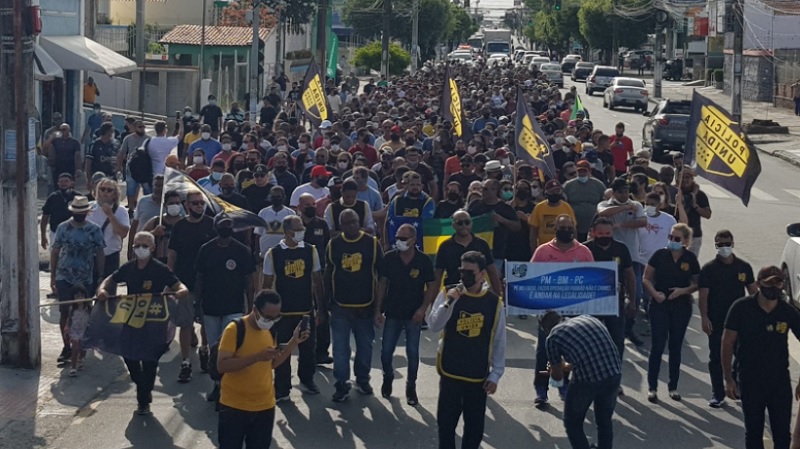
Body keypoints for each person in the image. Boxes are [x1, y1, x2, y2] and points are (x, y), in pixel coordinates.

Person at [96, 231, 189, 415]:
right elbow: (111, 279)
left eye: (144, 246)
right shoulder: (129, 268)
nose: (140, 249)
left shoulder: (160, 269)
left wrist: (181, 291)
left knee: (149, 362)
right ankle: (142, 385)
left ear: (152, 248)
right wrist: (102, 289)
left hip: (154, 323)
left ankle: (143, 401)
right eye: (137, 245)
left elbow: (179, 285)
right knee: (129, 356)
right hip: (131, 319)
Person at [427, 250, 506, 449]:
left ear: (482, 274)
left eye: (470, 271)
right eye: (462, 271)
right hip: (450, 370)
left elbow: (499, 340)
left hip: (477, 375)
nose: (465, 275)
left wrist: (496, 374)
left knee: (474, 428)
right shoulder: (448, 293)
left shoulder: (493, 302)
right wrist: (449, 303)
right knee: (445, 424)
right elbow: (433, 325)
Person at [216, 290, 309, 449]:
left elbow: (271, 364)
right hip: (234, 407)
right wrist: (256, 357)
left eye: (276, 317)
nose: (271, 321)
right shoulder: (235, 329)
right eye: (267, 317)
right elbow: (222, 365)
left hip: (264, 406)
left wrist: (294, 342)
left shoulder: (271, 330)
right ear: (255, 310)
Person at [723, 266, 800, 449]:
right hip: (750, 380)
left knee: (782, 434)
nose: (774, 288)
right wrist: (728, 379)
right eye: (769, 283)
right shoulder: (741, 308)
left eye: (778, 283)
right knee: (754, 433)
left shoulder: (787, 311)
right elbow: (727, 343)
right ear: (758, 284)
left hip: (779, 382)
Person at [531, 214, 593, 407]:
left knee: (570, 351)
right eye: (562, 227)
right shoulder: (542, 251)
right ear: (555, 229)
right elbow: (530, 278)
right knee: (544, 351)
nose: (566, 230)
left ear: (574, 229)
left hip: (574, 310)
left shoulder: (583, 252)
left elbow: (593, 279)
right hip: (548, 312)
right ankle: (542, 389)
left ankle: (564, 385)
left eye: (569, 227)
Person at [322, 209, 384, 402]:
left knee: (365, 347)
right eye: (347, 223)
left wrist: (379, 309)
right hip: (340, 306)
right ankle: (341, 383)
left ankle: (363, 379)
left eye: (354, 222)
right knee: (340, 349)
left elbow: (382, 277)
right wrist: (324, 305)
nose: (351, 225)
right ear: (340, 226)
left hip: (366, 306)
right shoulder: (334, 245)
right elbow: (327, 274)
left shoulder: (372, 244)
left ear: (359, 222)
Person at [196, 212, 256, 402]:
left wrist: (251, 305)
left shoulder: (241, 250)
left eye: (230, 225)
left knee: (229, 349)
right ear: (216, 227)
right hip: (211, 307)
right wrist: (198, 304)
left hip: (234, 307)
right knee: (215, 349)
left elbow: (249, 280)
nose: (226, 228)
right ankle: (217, 385)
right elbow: (200, 278)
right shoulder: (206, 249)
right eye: (223, 225)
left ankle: (231, 386)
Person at [262, 215, 324, 400]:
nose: (302, 231)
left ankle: (306, 380)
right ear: (288, 232)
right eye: (298, 228)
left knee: (307, 349)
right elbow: (266, 283)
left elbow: (317, 280)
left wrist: (320, 307)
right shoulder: (273, 254)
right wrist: (264, 313)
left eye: (302, 227)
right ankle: (282, 389)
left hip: (305, 310)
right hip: (282, 313)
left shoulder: (310, 251)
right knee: (282, 350)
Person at [375, 223, 436, 405]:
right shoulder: (389, 258)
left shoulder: (423, 260)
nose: (399, 241)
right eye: (397, 238)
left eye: (403, 238)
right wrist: (378, 310)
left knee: (412, 352)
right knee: (386, 352)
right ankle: (388, 376)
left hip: (413, 315)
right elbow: (382, 284)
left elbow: (431, 286)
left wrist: (423, 309)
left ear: (413, 240)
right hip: (392, 312)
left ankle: (411, 387)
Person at [542, 311, 622, 449]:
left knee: (572, 422)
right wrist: (563, 366)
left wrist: (554, 369)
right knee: (604, 421)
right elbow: (590, 358)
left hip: (588, 381)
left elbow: (558, 378)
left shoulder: (553, 337)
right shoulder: (588, 318)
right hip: (614, 372)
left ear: (544, 328)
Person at [698, 229, 757, 408]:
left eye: (727, 244)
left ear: (733, 244)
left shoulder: (743, 267)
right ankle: (718, 393)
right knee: (716, 357)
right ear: (716, 245)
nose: (724, 248)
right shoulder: (709, 269)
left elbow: (753, 291)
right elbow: (703, 296)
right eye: (721, 245)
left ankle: (736, 386)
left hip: (740, 322)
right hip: (717, 321)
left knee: (743, 356)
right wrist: (704, 318)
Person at [642, 223, 700, 403]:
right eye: (670, 237)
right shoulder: (660, 255)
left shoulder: (690, 258)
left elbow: (697, 283)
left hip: (681, 306)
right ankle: (652, 387)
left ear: (685, 241)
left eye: (676, 239)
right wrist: (655, 294)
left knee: (676, 346)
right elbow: (646, 278)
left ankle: (673, 386)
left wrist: (683, 291)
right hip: (659, 304)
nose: (672, 241)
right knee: (658, 346)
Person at [168, 190, 217, 382]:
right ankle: (186, 362)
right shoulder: (180, 226)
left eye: (201, 203)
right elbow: (172, 254)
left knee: (206, 322)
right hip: (184, 283)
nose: (199, 206)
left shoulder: (212, 224)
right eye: (195, 203)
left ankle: (204, 350)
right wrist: (170, 279)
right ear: (187, 206)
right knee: (186, 323)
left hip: (208, 283)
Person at [596, 178, 646, 345]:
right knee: (610, 292)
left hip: (632, 255)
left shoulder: (636, 205)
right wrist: (624, 208)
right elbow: (603, 214)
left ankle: (629, 326)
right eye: (621, 192)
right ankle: (605, 328)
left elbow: (643, 221)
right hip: (611, 256)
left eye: (626, 191)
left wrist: (622, 223)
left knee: (636, 293)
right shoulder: (605, 204)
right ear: (614, 192)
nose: (624, 194)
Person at [585, 217, 637, 366]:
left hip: (615, 302)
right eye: (601, 233)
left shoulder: (621, 248)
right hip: (591, 303)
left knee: (617, 341)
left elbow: (630, 276)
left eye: (608, 233)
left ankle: (615, 375)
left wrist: (632, 301)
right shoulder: (585, 249)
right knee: (590, 341)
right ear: (593, 232)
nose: (604, 236)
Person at [433, 210, 502, 296]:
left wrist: (499, 296)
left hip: (478, 293)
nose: (464, 225)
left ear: (471, 223)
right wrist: (434, 300)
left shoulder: (482, 244)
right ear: (453, 225)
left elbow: (492, 271)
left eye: (467, 222)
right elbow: (437, 275)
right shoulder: (445, 246)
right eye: (460, 223)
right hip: (452, 294)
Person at [467, 179, 520, 273]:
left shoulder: (505, 208)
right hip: (475, 251)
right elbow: (467, 221)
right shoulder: (475, 205)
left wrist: (502, 220)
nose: (484, 192)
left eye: (487, 189)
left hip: (496, 253)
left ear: (496, 190)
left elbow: (517, 226)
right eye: (483, 189)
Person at [87, 178, 130, 284]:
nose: (105, 192)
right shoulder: (89, 207)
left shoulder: (121, 211)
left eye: (109, 190)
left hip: (110, 257)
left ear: (115, 194)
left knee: (108, 294)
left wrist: (110, 215)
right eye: (102, 189)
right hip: (89, 257)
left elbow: (123, 233)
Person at [564, 160, 606, 242]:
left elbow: (604, 203)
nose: (582, 173)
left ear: (589, 171)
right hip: (575, 226)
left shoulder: (599, 185)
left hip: (594, 226)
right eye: (580, 171)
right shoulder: (568, 186)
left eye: (584, 171)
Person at [529, 179, 576, 252]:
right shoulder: (539, 207)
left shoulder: (567, 207)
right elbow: (533, 232)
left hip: (563, 249)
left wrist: (574, 249)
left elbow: (573, 229)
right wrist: (534, 250)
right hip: (543, 249)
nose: (555, 194)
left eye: (557, 191)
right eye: (552, 191)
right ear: (546, 192)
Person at [142, 189, 184, 263]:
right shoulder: (156, 221)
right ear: (165, 205)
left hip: (180, 262)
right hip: (159, 262)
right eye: (171, 203)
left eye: (177, 203)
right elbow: (140, 238)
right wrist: (154, 232)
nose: (175, 205)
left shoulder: (185, 222)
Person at [255, 186, 296, 258]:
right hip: (265, 254)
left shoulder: (290, 213)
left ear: (284, 197)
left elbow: (294, 236)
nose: (276, 199)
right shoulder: (263, 212)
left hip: (284, 254)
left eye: (278, 196)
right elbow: (258, 235)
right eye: (273, 196)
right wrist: (257, 252)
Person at [677, 168, 711, 256]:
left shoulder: (700, 195)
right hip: (675, 234)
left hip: (694, 235)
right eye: (682, 177)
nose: (685, 180)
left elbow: (708, 214)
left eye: (687, 177)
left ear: (692, 179)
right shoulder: (674, 192)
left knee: (690, 264)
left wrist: (696, 206)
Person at [41, 173, 77, 250]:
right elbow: (44, 218)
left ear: (71, 183)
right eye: (61, 181)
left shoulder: (78, 197)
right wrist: (43, 236)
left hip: (74, 233)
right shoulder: (53, 197)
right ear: (58, 183)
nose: (63, 184)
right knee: (55, 257)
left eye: (66, 181)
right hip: (55, 232)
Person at [44, 123, 82, 188]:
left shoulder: (74, 142)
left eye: (64, 129)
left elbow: (78, 156)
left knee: (70, 185)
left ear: (68, 130)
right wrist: (52, 137)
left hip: (70, 166)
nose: (62, 131)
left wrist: (78, 169)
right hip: (58, 166)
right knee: (58, 185)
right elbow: (45, 146)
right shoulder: (56, 141)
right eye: (61, 130)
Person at [64, 284, 90, 377]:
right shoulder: (72, 309)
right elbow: (69, 319)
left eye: (81, 295)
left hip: (85, 330)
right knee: (75, 347)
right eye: (77, 296)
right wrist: (67, 328)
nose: (79, 298)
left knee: (83, 348)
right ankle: (73, 367)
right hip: (74, 330)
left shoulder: (89, 308)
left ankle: (81, 359)